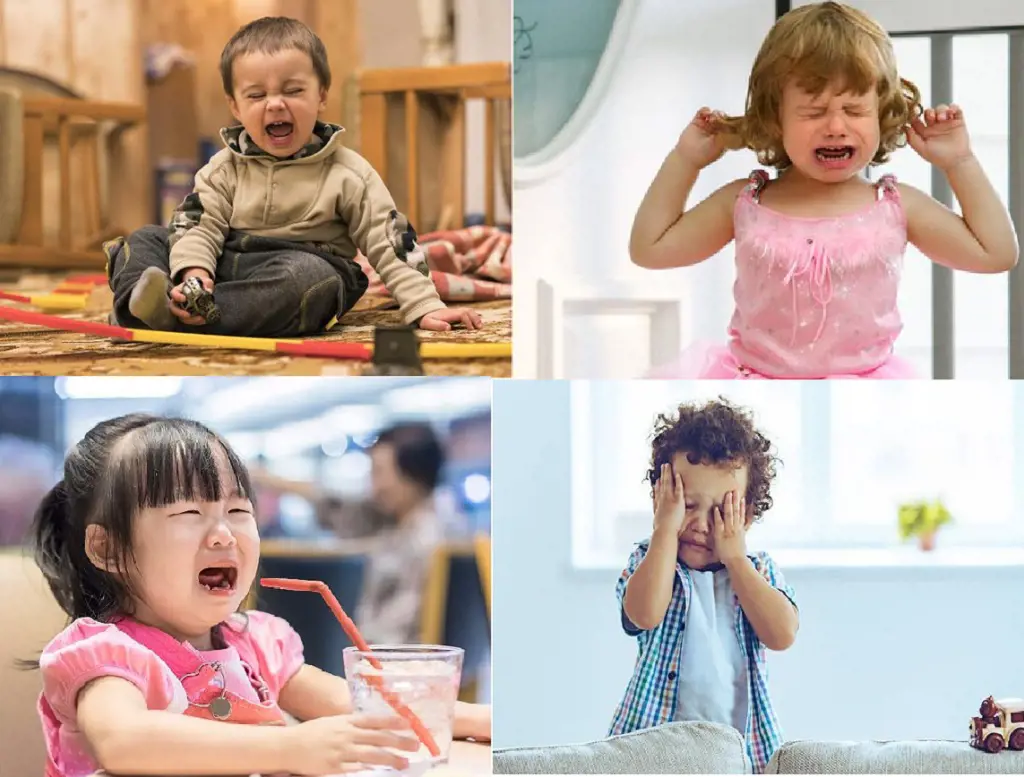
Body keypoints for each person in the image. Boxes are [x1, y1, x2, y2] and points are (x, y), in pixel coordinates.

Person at [29, 414, 490, 777]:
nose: (224, 534)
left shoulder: (256, 644)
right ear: (106, 548)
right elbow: (123, 741)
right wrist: (293, 746)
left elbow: (360, 703)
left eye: (237, 510)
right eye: (190, 511)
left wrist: (475, 721)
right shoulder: (108, 656)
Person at [630, 1, 1018, 379]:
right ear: (775, 118)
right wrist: (686, 159)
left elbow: (995, 253)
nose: (835, 126)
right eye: (814, 112)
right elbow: (650, 249)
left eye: (854, 110)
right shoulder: (746, 202)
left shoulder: (895, 206)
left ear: (881, 113)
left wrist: (959, 162)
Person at [105, 16, 483, 337]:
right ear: (235, 107)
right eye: (256, 96)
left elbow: (390, 240)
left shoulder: (349, 172)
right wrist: (195, 273)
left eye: (293, 90)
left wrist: (424, 305)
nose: (275, 104)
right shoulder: (222, 168)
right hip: (226, 264)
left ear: (321, 96)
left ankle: (185, 318)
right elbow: (199, 226)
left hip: (301, 267)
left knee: (311, 281)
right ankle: (146, 309)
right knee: (145, 239)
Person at [610, 398, 798, 774]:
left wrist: (736, 560)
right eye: (688, 505)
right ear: (660, 499)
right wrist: (664, 530)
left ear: (745, 516)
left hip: (740, 749)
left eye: (719, 511)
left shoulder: (757, 570)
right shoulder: (650, 561)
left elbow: (782, 635)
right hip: (651, 745)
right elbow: (644, 614)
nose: (699, 523)